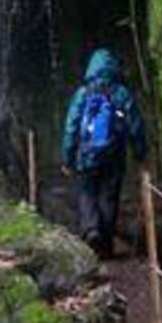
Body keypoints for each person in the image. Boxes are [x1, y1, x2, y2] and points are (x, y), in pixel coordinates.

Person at [61, 48, 148, 259]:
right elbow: (135, 126)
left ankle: (91, 231)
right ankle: (106, 245)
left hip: (86, 157)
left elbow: (71, 127)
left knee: (87, 194)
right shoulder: (121, 93)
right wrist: (141, 154)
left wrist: (68, 159)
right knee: (108, 198)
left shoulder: (83, 93)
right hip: (114, 157)